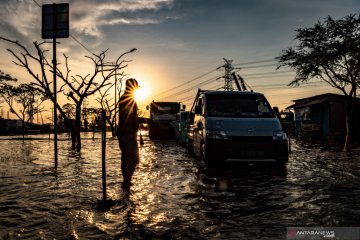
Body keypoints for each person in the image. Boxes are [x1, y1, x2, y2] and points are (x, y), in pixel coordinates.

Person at [117, 78, 140, 189]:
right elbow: (129, 117)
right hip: (128, 134)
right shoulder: (127, 100)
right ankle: (127, 182)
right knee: (134, 160)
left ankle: (126, 182)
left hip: (124, 133)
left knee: (126, 159)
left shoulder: (124, 99)